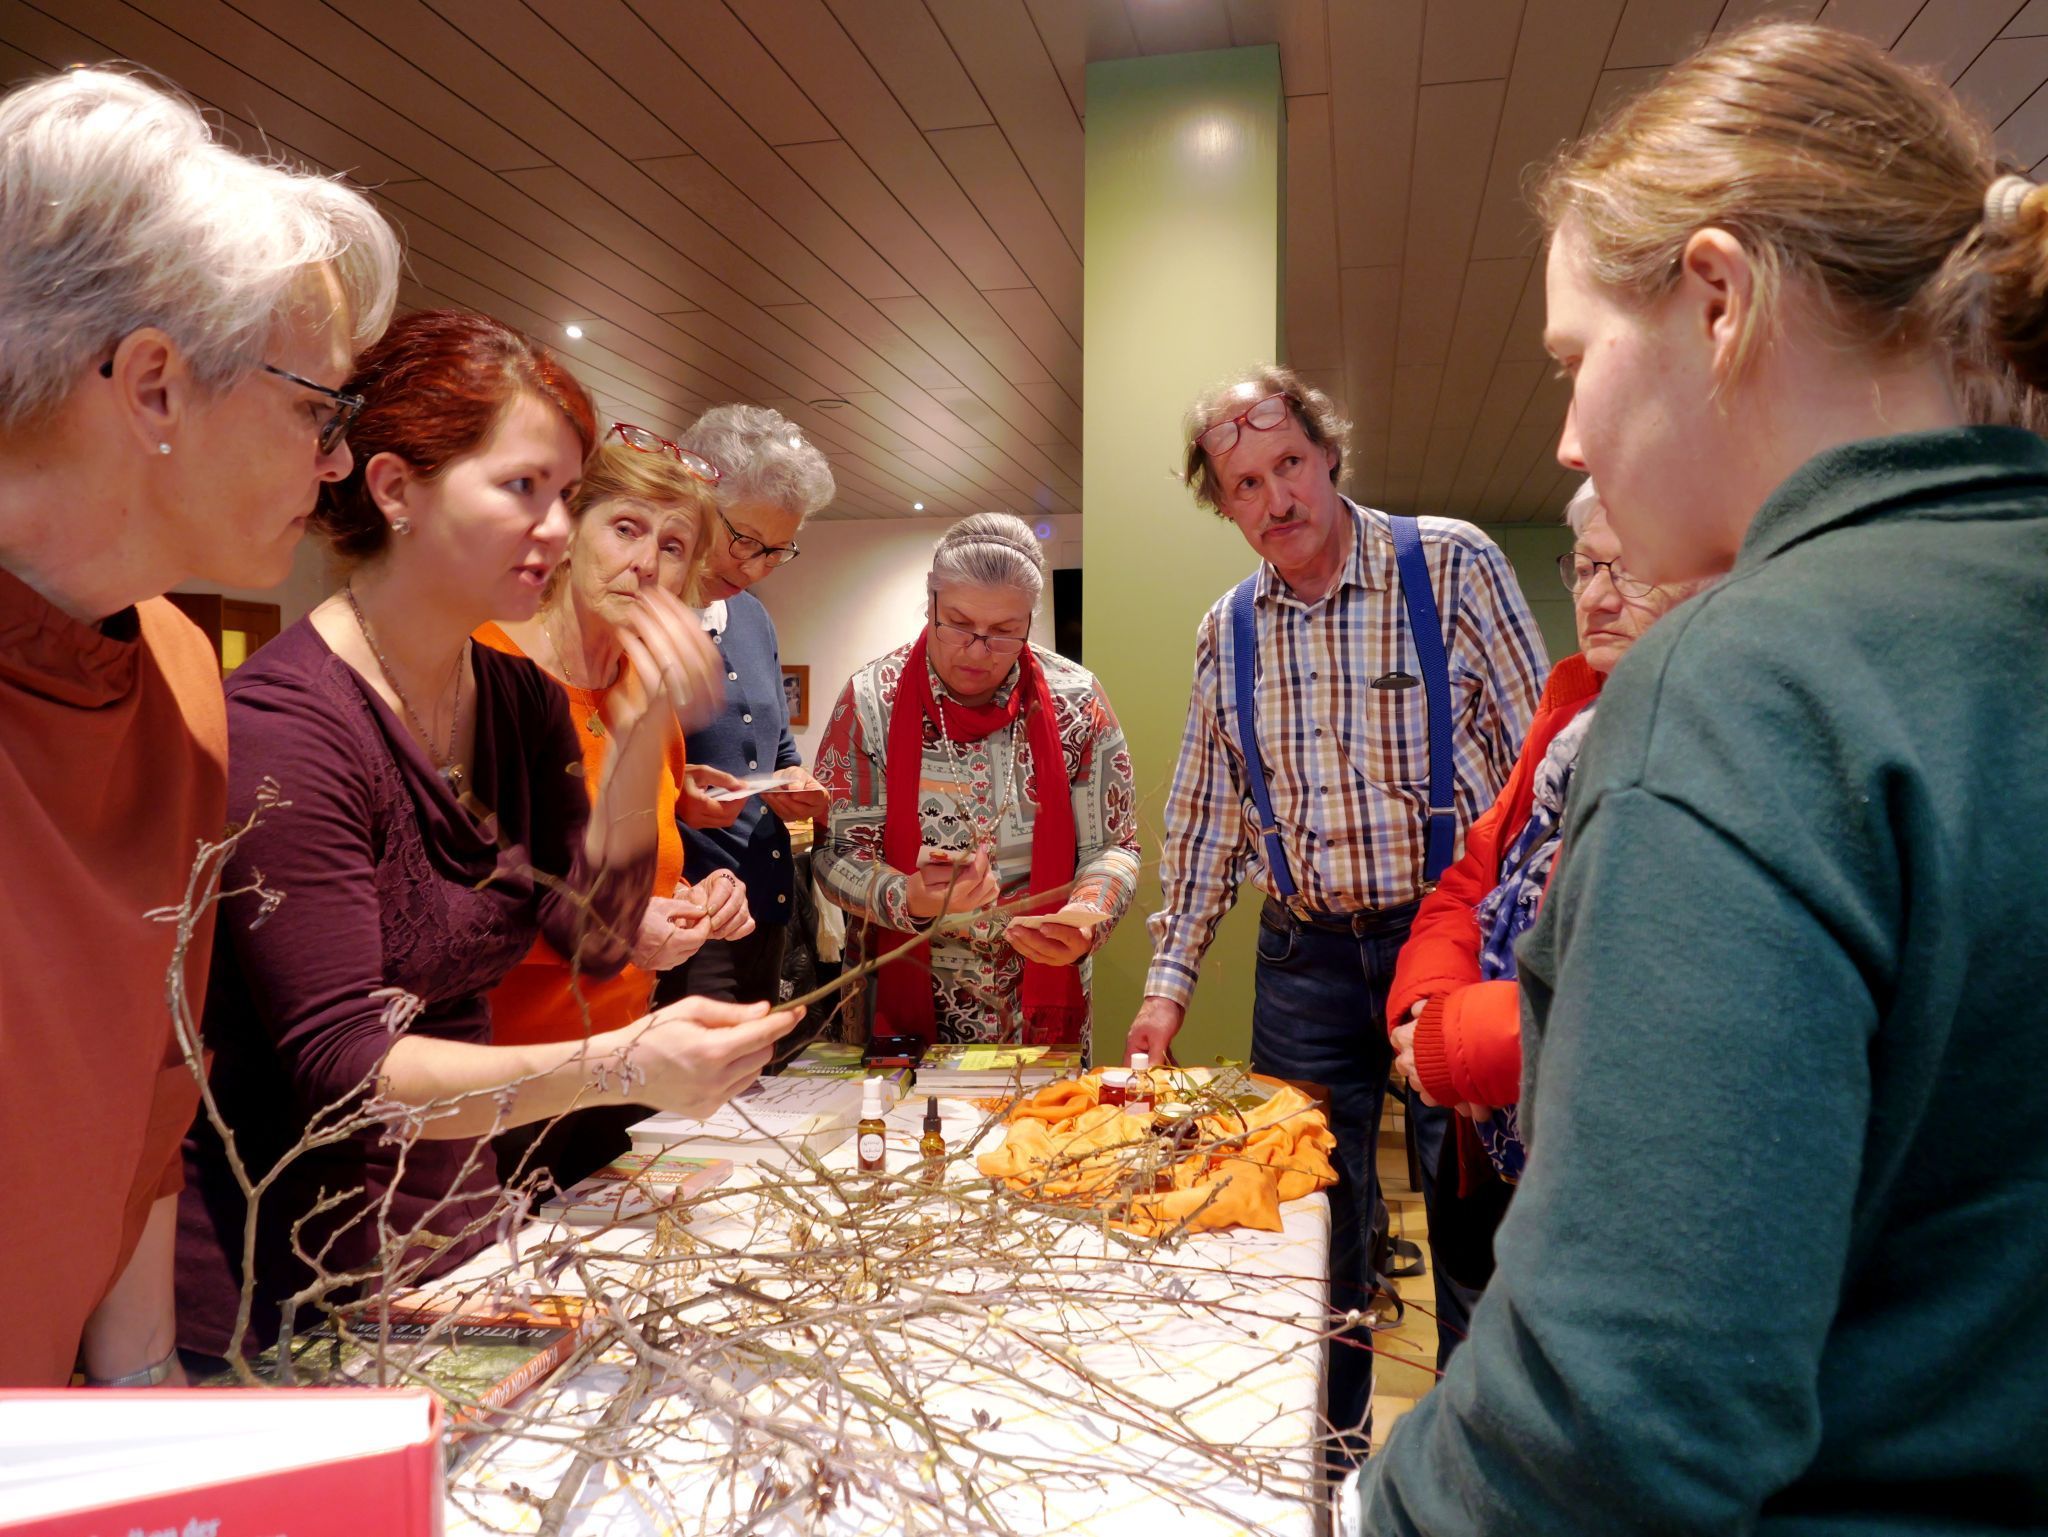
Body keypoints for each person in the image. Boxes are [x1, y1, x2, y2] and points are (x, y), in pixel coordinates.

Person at [1351, 22, 2048, 1531]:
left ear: (1717, 299)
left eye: (1573, 362)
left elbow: (1617, 1418)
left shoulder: (1746, 686)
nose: (1567, 431)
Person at [175, 310, 796, 1365]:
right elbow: (346, 1069)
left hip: (459, 1238)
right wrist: (620, 1066)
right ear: (394, 489)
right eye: (522, 489)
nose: (555, 529)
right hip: (297, 1278)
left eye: (562, 497)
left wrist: (642, 719)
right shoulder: (287, 722)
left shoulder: (515, 700)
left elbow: (597, 938)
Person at [0, 66, 399, 1388]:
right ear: (158, 389)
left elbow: (150, 1091)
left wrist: (146, 1414)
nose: (336, 462)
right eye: (316, 410)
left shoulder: (177, 669)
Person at [1129, 364, 1547, 1461]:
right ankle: (1326, 1457)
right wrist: (1165, 992)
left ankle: (1475, 1459)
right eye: (1243, 484)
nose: (1273, 499)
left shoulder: (1451, 564)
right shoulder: (1227, 631)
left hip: (1442, 948)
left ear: (1328, 458)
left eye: (1288, 467)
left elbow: (1539, 774)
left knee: (1474, 1219)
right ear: (1222, 504)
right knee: (1315, 1222)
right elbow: (1206, 816)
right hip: (1305, 960)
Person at [1382, 479, 1704, 1364]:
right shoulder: (1573, 712)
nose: (1596, 595)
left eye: (1629, 569)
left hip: (1615, 1187)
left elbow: (1659, 987)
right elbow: (1471, 880)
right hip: (1510, 1140)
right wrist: (1425, 1008)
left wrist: (1454, 1040)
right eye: (1588, 566)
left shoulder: (1700, 721)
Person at [477, 434, 756, 1193]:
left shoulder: (643, 687)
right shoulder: (484, 669)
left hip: (620, 1071)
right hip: (493, 1089)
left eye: (673, 545)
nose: (645, 563)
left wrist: (702, 896)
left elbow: (637, 862)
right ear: (569, 532)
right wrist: (614, 927)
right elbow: (453, 899)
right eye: (625, 528)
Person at [813, 513, 1141, 1059]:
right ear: (930, 603)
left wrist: (1086, 916)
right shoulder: (872, 699)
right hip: (906, 979)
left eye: (1004, 632)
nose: (977, 649)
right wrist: (908, 897)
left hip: (1037, 990)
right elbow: (836, 851)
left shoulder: (1075, 699)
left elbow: (1115, 845)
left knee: (1042, 1141)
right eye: (959, 624)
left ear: (1029, 622)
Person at [649, 405, 835, 1013]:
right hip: (676, 913)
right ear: (692, 495)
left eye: (778, 551)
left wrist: (796, 784)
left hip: (763, 902)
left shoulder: (752, 616)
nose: (754, 568)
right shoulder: (634, 616)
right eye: (744, 540)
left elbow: (778, 748)